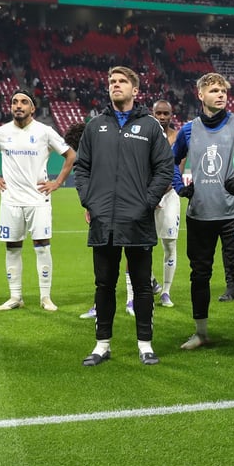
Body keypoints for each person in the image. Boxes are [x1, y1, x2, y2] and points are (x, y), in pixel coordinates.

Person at [73, 66, 174, 366]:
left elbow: (164, 169)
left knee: (142, 286)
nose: (115, 86)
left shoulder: (151, 126)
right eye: (111, 82)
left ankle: (145, 344)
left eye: (121, 82)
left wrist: (146, 202)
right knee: (104, 285)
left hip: (138, 219)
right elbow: (82, 169)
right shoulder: (95, 126)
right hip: (104, 219)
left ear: (135, 90)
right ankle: (102, 345)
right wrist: (89, 201)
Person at [171, 73, 234, 353]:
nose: (220, 95)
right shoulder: (188, 130)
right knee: (199, 274)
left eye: (223, 90)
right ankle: (200, 333)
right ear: (200, 95)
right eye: (213, 90)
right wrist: (178, 185)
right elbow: (171, 161)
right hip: (199, 214)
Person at [0, 89, 76, 312]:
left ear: (33, 108)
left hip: (38, 200)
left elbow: (71, 155)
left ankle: (45, 297)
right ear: (11, 107)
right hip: (11, 201)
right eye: (15, 102)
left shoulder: (45, 131)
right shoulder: (1, 132)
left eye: (24, 102)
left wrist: (57, 182)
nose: (19, 105)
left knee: (42, 248)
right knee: (12, 248)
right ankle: (15, 297)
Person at [123, 100, 180, 312]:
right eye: (159, 113)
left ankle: (165, 291)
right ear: (152, 113)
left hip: (167, 196)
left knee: (169, 244)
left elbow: (174, 170)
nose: (162, 117)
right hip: (145, 197)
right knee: (137, 245)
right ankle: (136, 293)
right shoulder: (144, 135)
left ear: (172, 114)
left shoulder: (177, 137)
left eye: (166, 113)